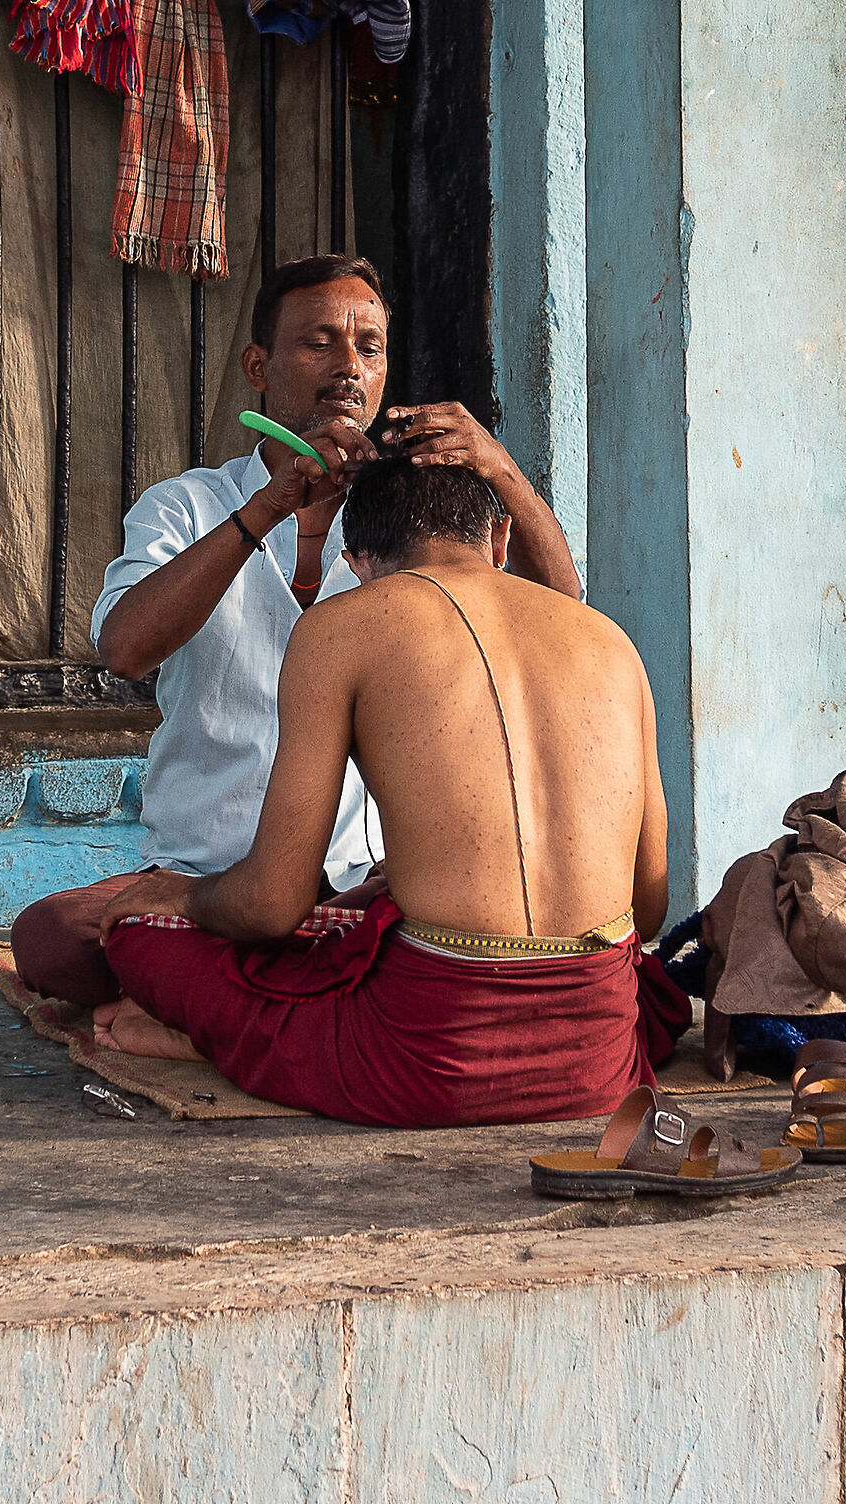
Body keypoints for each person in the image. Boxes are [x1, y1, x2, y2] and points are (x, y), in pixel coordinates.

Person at [8, 253, 579, 1008]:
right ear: (257, 365)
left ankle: (218, 1006)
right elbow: (125, 648)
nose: (349, 366)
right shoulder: (188, 505)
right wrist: (266, 510)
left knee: (437, 943)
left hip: (367, 884)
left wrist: (503, 471)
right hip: (203, 878)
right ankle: (285, 998)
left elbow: (563, 616)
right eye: (319, 342)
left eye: (369, 347)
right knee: (52, 939)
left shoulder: (414, 515)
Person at [86, 453, 693, 1126]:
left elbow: (270, 907)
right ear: (499, 540)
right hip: (596, 1061)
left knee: (138, 935)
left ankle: (203, 1038)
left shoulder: (341, 628)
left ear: (359, 562)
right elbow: (649, 907)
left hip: (425, 1067)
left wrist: (187, 895)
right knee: (655, 993)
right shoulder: (612, 643)